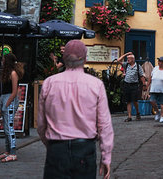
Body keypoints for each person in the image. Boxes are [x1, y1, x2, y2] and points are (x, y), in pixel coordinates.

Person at [37, 40, 113, 179]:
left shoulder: (49, 83)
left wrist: (52, 146)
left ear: (64, 59)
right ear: (85, 59)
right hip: (84, 150)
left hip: (57, 149)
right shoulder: (96, 84)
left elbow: (41, 124)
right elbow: (104, 125)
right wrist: (105, 157)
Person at [0, 53, 22, 163]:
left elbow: (14, 91)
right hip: (5, 99)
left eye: (4, 59)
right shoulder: (7, 73)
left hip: (9, 100)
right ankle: (8, 150)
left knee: (9, 127)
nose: (2, 61)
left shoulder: (13, 73)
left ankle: (13, 152)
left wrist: (6, 104)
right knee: (6, 127)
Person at [117, 52, 144, 122]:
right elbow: (118, 60)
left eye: (129, 59)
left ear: (133, 59)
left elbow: (141, 76)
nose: (127, 60)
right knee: (128, 101)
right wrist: (126, 54)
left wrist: (144, 84)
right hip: (126, 84)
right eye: (127, 59)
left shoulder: (138, 66)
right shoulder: (126, 65)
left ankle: (138, 113)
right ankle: (129, 116)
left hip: (134, 85)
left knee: (135, 101)